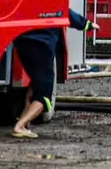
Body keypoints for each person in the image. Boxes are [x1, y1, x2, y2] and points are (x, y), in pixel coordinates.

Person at [11, 9, 98, 139]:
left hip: (22, 41)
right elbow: (64, 12)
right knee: (44, 95)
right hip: (42, 45)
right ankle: (19, 126)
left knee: (35, 85)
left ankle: (24, 123)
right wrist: (87, 24)